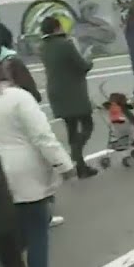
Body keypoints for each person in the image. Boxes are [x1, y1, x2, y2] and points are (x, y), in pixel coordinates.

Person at [0, 56, 74, 267]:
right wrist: (64, 164)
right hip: (25, 172)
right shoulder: (18, 97)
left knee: (15, 230)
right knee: (38, 226)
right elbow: (42, 135)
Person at [39, 15, 97, 178]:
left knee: (71, 128)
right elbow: (82, 66)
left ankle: (80, 165)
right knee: (87, 124)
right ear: (57, 28)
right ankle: (76, 155)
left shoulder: (42, 47)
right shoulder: (66, 44)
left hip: (56, 92)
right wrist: (89, 58)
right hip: (73, 92)